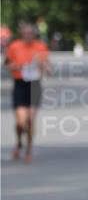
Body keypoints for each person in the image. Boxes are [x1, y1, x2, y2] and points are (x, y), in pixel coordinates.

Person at [4, 22, 52, 163]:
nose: (28, 36)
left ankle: (28, 149)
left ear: (34, 35)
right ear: (21, 34)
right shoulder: (14, 46)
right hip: (19, 85)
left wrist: (42, 65)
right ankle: (19, 142)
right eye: (25, 34)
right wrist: (17, 66)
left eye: (31, 34)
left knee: (30, 120)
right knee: (20, 122)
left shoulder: (40, 47)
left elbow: (48, 68)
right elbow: (5, 65)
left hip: (34, 86)